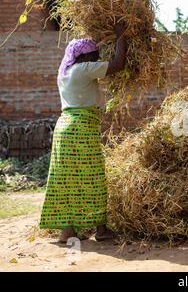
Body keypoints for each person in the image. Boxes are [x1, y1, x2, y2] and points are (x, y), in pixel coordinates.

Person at [39, 23, 127, 243]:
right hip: (81, 129)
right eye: (94, 56)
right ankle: (101, 229)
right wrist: (120, 34)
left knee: (66, 180)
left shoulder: (65, 72)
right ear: (84, 56)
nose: (97, 60)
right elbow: (119, 63)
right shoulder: (84, 69)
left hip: (63, 128)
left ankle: (67, 231)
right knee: (94, 178)